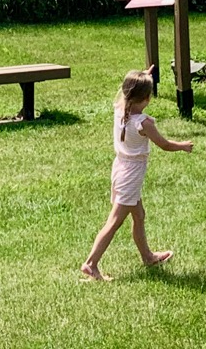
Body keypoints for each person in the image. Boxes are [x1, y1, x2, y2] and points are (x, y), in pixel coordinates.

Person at [80, 67, 193, 281]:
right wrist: (183, 145)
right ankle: (91, 264)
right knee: (114, 222)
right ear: (147, 98)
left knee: (139, 215)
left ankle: (148, 257)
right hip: (130, 176)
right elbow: (165, 145)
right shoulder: (144, 123)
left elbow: (125, 92)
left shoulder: (120, 108)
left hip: (120, 169)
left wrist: (141, 75)